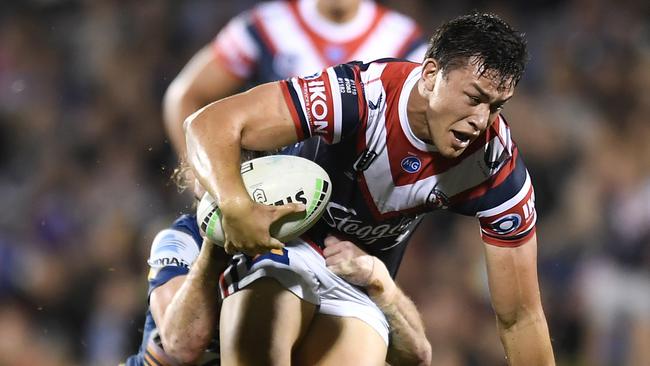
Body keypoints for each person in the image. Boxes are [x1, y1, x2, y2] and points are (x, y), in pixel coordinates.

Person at [185, 12, 555, 366]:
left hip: (360, 277)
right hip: (286, 246)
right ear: (430, 75)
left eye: (495, 107)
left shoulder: (495, 165)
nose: (480, 120)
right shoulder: (360, 95)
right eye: (473, 98)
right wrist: (234, 204)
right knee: (224, 332)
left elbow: (521, 318)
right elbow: (208, 124)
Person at [123, 206, 431, 365]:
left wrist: (381, 282)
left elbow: (416, 356)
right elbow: (182, 345)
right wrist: (214, 250)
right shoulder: (184, 238)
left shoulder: (315, 246)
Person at [163, 0, 426, 163]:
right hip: (266, 197)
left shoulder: (404, 43)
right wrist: (200, 173)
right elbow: (185, 96)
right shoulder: (266, 27)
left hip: (355, 217)